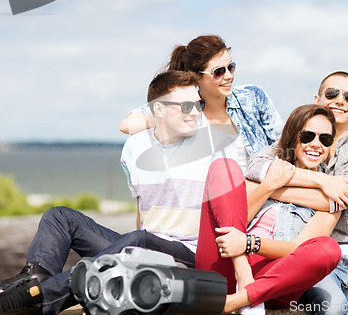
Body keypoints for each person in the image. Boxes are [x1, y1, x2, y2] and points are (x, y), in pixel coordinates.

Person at [0, 71, 224, 314]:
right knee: (59, 218)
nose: (194, 112)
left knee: (140, 239)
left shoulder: (210, 147)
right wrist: (129, 255)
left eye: (198, 104)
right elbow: (143, 210)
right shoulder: (135, 148)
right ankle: (33, 282)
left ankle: (37, 300)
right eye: (186, 106)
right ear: (159, 109)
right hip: (144, 249)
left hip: (188, 256)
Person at [245, 71, 348, 315]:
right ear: (317, 98)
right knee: (332, 306)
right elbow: (255, 167)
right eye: (332, 93)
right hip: (308, 251)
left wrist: (273, 187)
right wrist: (321, 180)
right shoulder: (294, 138)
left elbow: (338, 200)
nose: (340, 100)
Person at [195, 104, 343, 314]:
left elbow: (298, 249)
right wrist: (269, 186)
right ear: (293, 137)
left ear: (331, 145)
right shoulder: (266, 172)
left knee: (329, 249)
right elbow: (233, 222)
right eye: (307, 136)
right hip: (228, 262)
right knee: (224, 165)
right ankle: (243, 276)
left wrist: (249, 243)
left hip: (275, 278)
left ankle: (240, 299)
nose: (316, 144)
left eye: (325, 139)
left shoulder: (332, 195)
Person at [119, 34, 283, 168]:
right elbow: (127, 125)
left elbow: (282, 143)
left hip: (263, 189)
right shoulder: (186, 109)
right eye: (218, 72)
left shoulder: (252, 97)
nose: (229, 76)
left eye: (230, 67)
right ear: (196, 76)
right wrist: (171, 119)